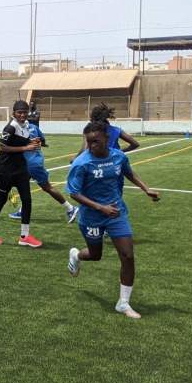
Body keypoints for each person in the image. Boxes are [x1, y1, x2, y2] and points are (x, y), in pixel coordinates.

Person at [66, 121, 160, 319]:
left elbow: (129, 172)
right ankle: (76, 255)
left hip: (116, 213)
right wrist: (100, 208)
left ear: (107, 139)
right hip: (91, 217)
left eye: (96, 141)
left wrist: (146, 188)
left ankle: (123, 303)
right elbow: (73, 192)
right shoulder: (81, 163)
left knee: (127, 255)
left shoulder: (118, 156)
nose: (92, 146)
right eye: (89, 142)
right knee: (95, 254)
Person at [0, 100, 43, 248]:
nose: (22, 115)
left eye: (25, 112)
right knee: (1, 200)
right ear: (14, 113)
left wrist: (33, 142)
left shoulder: (26, 126)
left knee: (27, 200)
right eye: (19, 112)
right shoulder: (10, 127)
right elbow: (1, 147)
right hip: (5, 170)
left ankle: (25, 236)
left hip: (20, 169)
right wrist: (26, 148)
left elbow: (21, 142)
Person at [7, 121, 79, 223]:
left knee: (47, 187)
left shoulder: (18, 131)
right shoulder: (34, 127)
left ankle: (70, 208)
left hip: (30, 163)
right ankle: (23, 210)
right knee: (22, 185)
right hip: (33, 161)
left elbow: (10, 146)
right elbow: (43, 140)